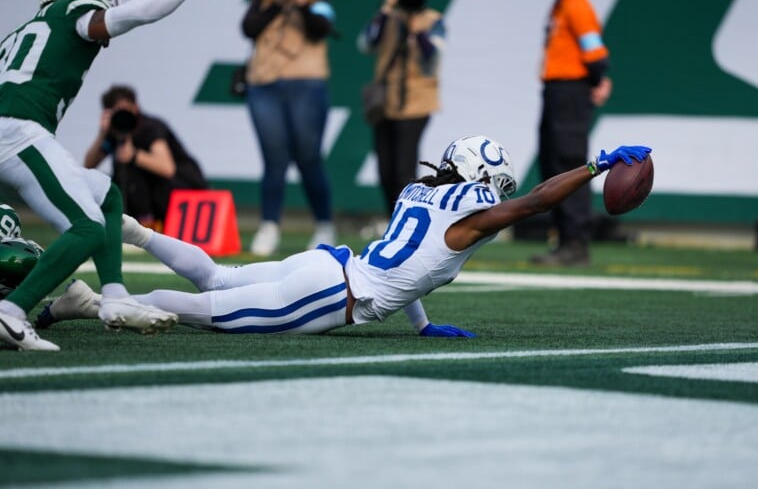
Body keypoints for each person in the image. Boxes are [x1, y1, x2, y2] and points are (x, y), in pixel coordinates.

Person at [38, 136, 650, 337]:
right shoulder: (474, 207)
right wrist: (596, 167)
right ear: (481, 179)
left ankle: (136, 235)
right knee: (209, 310)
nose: (500, 193)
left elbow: (411, 264)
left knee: (219, 276)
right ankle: (99, 303)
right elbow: (537, 201)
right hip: (336, 292)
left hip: (330, 265)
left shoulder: (421, 191)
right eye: (496, 184)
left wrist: (422, 324)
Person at [0, 0, 233, 351]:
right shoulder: (69, 10)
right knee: (87, 227)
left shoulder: (23, 31)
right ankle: (12, 311)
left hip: (15, 131)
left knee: (104, 192)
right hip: (17, 131)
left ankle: (114, 295)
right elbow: (134, 15)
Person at [242, 0, 337, 256]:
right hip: (264, 86)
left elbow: (320, 28)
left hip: (306, 86)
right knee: (274, 159)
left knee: (309, 158)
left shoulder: (319, 1)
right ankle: (269, 225)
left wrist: (301, 0)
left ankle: (324, 225)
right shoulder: (263, 1)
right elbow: (249, 28)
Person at [530, 0, 613, 267]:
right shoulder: (560, 3)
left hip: (570, 90)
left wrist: (599, 79)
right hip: (556, 90)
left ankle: (577, 243)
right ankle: (565, 240)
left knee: (569, 163)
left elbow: (593, 48)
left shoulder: (577, 4)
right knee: (554, 163)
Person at [357, 0, 445, 219]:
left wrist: (416, 29)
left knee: (404, 169)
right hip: (385, 103)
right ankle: (392, 220)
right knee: (385, 170)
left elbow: (433, 56)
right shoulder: (386, 19)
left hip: (416, 103)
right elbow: (366, 43)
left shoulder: (432, 20)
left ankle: (406, 222)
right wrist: (386, 9)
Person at [84, 85, 208, 230]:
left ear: (135, 107)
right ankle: (129, 223)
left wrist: (135, 155)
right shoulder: (113, 132)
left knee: (134, 169)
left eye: (125, 109)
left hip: (182, 186)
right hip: (144, 190)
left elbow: (167, 168)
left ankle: (146, 224)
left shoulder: (150, 127)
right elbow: (89, 164)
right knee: (115, 178)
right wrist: (103, 133)